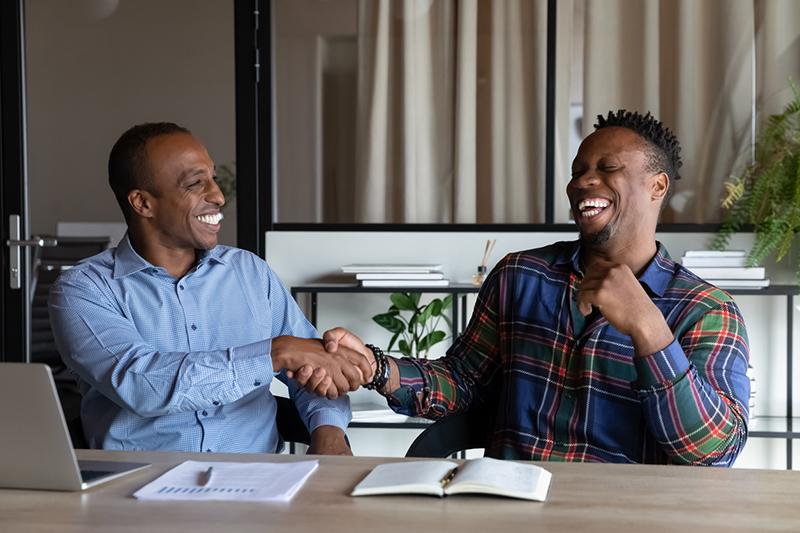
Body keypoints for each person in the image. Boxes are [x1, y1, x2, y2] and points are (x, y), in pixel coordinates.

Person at [319, 110, 751, 466]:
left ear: (657, 186)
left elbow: (714, 452)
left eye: (607, 169)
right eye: (578, 171)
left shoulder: (706, 309)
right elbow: (463, 382)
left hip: (628, 517)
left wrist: (648, 328)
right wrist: (376, 368)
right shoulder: (519, 275)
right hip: (512, 508)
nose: (583, 182)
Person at [49, 122, 373, 455]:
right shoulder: (83, 291)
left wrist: (328, 433)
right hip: (136, 491)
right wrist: (275, 352)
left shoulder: (251, 274)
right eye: (195, 183)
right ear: (143, 203)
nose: (217, 195)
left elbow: (314, 371)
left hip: (258, 487)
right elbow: (142, 384)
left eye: (213, 178)